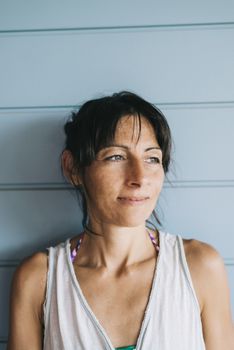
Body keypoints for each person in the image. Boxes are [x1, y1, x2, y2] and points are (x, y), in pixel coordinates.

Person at [7, 91, 234, 350]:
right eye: (116, 157)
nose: (139, 177)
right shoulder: (39, 279)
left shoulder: (200, 267)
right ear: (73, 168)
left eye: (152, 158)